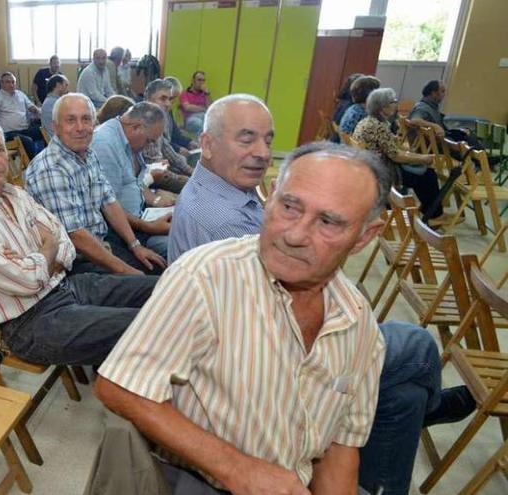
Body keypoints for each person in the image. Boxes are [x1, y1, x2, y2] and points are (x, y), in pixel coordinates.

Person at [96, 139, 395, 495]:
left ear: (365, 236)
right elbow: (119, 385)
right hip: (201, 481)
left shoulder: (360, 325)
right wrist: (238, 469)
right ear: (270, 196)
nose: (295, 235)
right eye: (289, 206)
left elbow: (341, 448)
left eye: (328, 222)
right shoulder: (204, 277)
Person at [0, 114, 159, 366]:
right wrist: (48, 248)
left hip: (67, 286)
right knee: (147, 326)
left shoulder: (16, 194)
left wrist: (38, 258)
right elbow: (29, 278)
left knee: (163, 288)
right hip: (30, 321)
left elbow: (65, 243)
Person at [25, 93, 165, 275]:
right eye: (70, 120)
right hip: (76, 264)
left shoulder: (87, 154)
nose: (80, 127)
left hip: (102, 244)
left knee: (159, 268)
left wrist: (135, 245)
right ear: (55, 127)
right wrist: (128, 272)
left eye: (86, 119)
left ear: (94, 123)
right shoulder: (51, 168)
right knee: (153, 284)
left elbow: (109, 201)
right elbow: (76, 237)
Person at [167, 94, 272, 264]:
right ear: (207, 145)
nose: (264, 153)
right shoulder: (231, 226)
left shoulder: (208, 182)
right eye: (247, 140)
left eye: (268, 142)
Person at [91, 101, 172, 259]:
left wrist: (155, 202)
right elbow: (108, 207)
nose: (149, 146)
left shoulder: (128, 140)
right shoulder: (105, 144)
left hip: (141, 219)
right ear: (136, 127)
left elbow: (134, 185)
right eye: (149, 141)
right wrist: (150, 227)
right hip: (125, 233)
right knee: (183, 248)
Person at [353, 87, 445, 224]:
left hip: (371, 166)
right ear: (382, 107)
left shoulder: (369, 121)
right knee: (428, 175)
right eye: (393, 102)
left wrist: (411, 154)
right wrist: (422, 158)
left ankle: (428, 210)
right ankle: (434, 215)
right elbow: (395, 156)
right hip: (382, 170)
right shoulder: (378, 126)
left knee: (422, 173)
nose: (396, 104)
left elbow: (393, 148)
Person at [142, 79, 194, 194]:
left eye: (170, 99)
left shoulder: (156, 118)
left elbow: (167, 149)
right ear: (147, 99)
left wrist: (190, 171)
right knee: (194, 188)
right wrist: (179, 178)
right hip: (148, 179)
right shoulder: (143, 123)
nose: (168, 104)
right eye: (163, 98)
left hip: (160, 171)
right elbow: (155, 166)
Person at [0, 72, 43, 158]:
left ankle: (43, 159)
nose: (11, 85)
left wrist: (42, 113)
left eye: (13, 82)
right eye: (8, 82)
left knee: (44, 131)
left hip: (25, 130)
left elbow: (33, 108)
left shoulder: (20, 94)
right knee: (28, 141)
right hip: (8, 133)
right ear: (1, 83)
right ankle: (32, 167)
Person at [330, 73, 363, 142]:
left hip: (335, 138)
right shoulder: (351, 105)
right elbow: (337, 126)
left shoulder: (344, 101)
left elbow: (334, 122)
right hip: (339, 143)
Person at [40, 74, 68, 138]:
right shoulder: (55, 103)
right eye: (66, 85)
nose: (67, 89)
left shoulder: (51, 101)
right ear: (58, 85)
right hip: (60, 141)